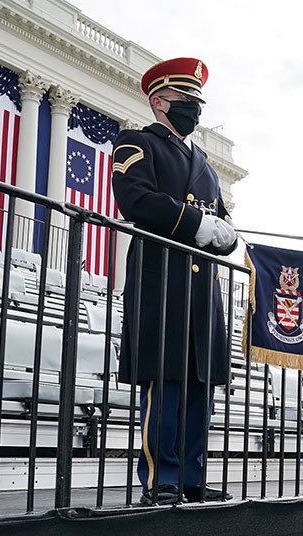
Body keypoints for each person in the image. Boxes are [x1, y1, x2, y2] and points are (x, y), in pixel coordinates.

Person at [112, 57, 237, 504]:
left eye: (197, 101)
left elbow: (221, 225)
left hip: (202, 292)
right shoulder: (137, 144)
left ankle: (191, 476)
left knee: (199, 388)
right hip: (160, 282)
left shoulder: (204, 163)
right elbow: (136, 201)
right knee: (164, 384)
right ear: (159, 101)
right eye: (186, 99)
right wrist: (196, 225)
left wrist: (223, 235)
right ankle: (161, 479)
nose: (195, 108)